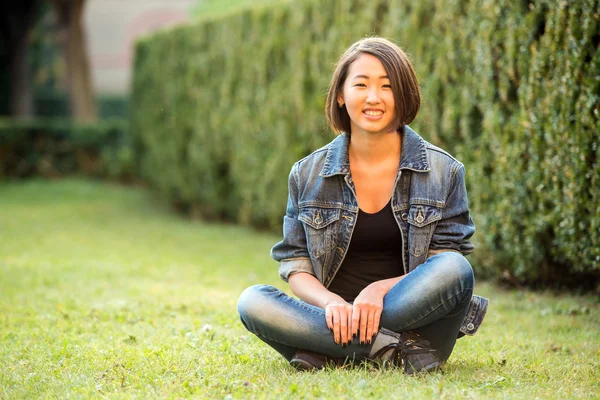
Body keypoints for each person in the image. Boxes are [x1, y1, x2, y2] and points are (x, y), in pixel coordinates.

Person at [237, 37, 488, 374]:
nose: (373, 97)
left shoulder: (444, 171)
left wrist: (381, 290)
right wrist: (332, 304)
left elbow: (444, 267)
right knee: (253, 302)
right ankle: (386, 348)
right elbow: (297, 266)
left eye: (387, 86)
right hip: (350, 322)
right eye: (361, 84)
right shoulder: (307, 173)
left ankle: (329, 349)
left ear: (404, 96)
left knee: (457, 270)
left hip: (420, 324)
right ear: (341, 94)